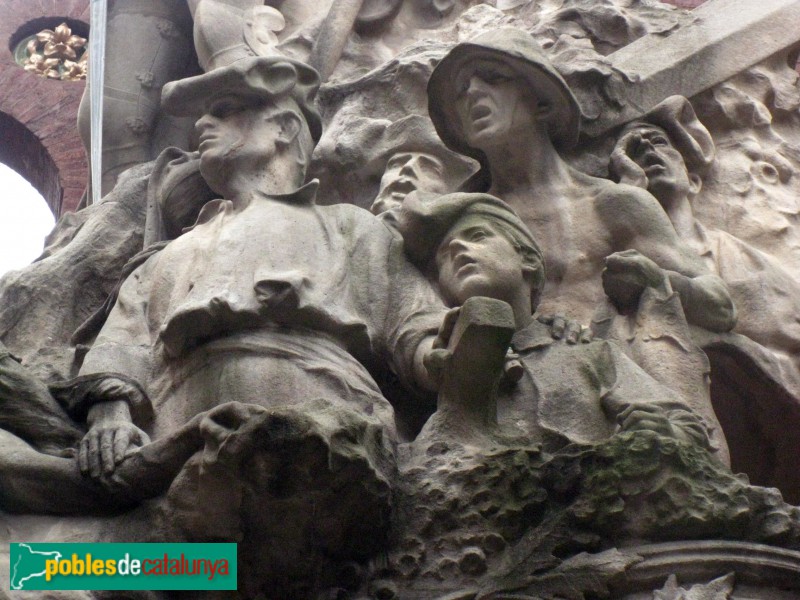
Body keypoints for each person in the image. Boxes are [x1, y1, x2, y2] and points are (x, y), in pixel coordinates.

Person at [74, 56, 448, 590]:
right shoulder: (172, 254)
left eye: (225, 112)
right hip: (176, 477)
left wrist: (449, 357)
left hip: (324, 468)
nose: (204, 125)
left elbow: (415, 326)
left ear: (284, 129)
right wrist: (108, 414)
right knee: (44, 566)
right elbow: (125, 341)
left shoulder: (351, 228)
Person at [426, 28, 737, 335]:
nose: (471, 92)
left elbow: (720, 307)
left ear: (542, 102)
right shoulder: (466, 225)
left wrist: (655, 281)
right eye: (460, 90)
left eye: (493, 77)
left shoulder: (613, 204)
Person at [396, 192, 721, 457]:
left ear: (528, 259)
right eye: (442, 256)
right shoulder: (449, 368)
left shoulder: (588, 353)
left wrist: (666, 431)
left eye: (477, 236)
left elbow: (684, 426)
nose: (457, 250)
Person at [610, 95, 800, 370]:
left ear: (695, 181)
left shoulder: (739, 259)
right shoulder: (616, 256)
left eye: (660, 142)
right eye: (634, 152)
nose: (648, 151)